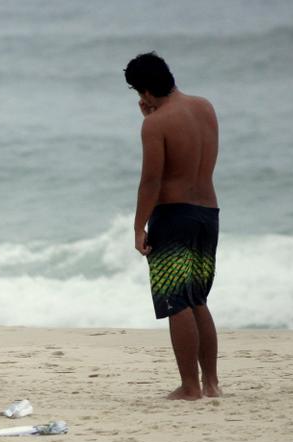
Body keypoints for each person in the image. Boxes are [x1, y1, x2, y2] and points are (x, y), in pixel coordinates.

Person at [125, 52, 222, 401]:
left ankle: (190, 387)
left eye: (139, 92)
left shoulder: (155, 124)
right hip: (208, 213)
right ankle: (210, 383)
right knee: (198, 298)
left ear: (146, 91)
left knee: (176, 301)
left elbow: (151, 181)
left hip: (173, 215)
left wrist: (139, 228)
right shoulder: (204, 107)